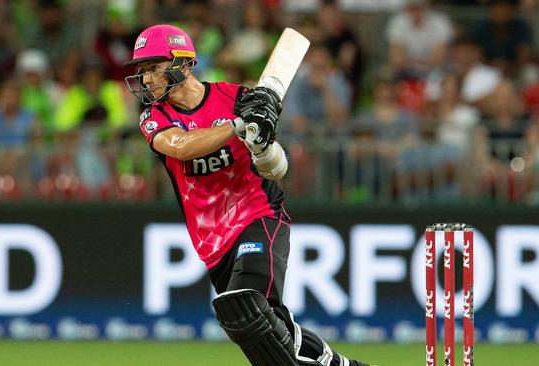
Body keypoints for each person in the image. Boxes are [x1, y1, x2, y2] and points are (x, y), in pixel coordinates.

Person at [123, 24, 369, 366]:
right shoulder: (154, 117)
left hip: (258, 214)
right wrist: (238, 126)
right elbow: (181, 147)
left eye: (153, 68)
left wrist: (260, 139)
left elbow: (276, 167)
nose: (146, 79)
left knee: (250, 307)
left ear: (182, 63)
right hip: (213, 242)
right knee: (259, 323)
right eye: (143, 70)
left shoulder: (236, 98)